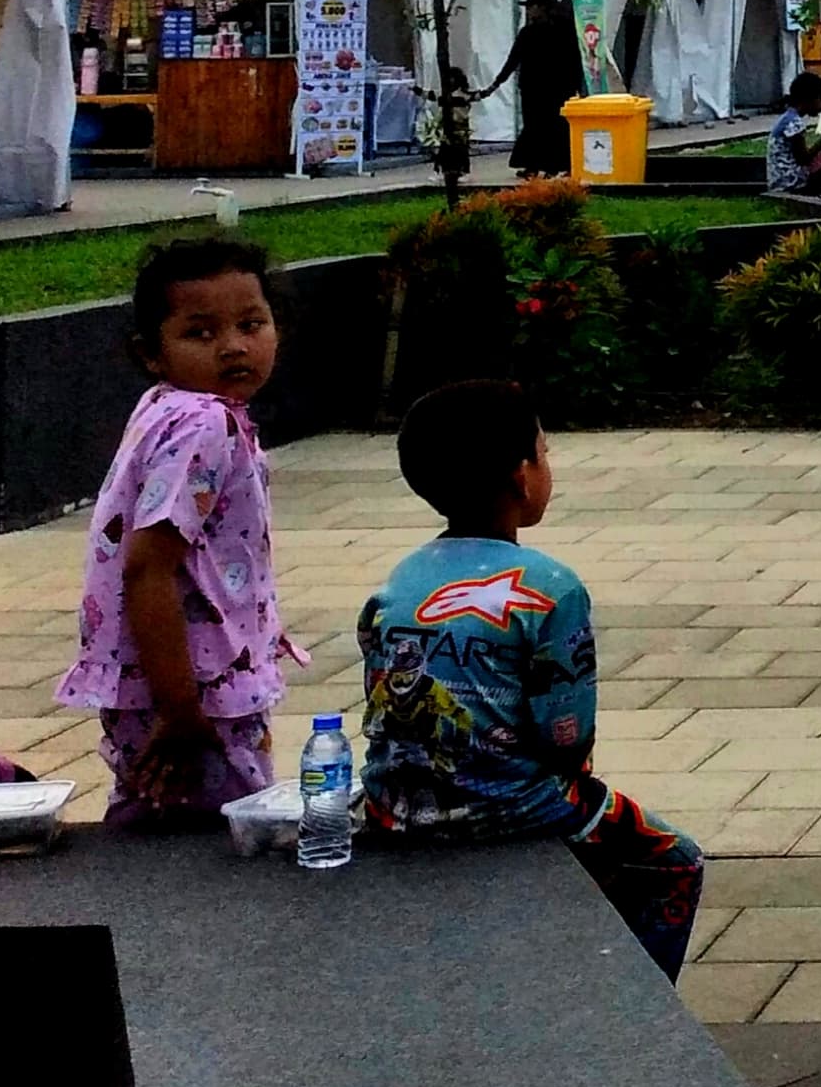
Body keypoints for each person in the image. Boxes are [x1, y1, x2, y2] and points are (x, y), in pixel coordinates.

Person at [360, 379, 703, 978]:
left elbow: (380, 696)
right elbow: (566, 736)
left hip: (394, 804)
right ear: (523, 476)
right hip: (513, 804)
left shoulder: (401, 578)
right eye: (545, 452)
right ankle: (634, 1007)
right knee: (673, 861)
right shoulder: (551, 586)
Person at [58, 237, 300, 824]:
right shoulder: (204, 423)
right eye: (201, 333)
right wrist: (182, 710)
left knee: (158, 815)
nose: (234, 347)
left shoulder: (169, 406)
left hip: (171, 680)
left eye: (252, 323)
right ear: (152, 353)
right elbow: (149, 565)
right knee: (213, 832)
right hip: (196, 685)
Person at [497, 0, 579, 180]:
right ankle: (538, 165)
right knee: (543, 127)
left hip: (549, 88)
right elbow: (514, 59)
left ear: (542, 8)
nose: (529, 12)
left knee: (548, 126)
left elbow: (572, 58)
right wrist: (497, 82)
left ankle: (547, 165)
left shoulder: (554, 31)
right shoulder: (537, 32)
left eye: (532, 7)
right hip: (543, 88)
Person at [763, 71, 821, 196]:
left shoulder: (787, 118)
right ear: (811, 99)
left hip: (779, 181)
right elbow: (803, 158)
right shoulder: (794, 123)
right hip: (790, 183)